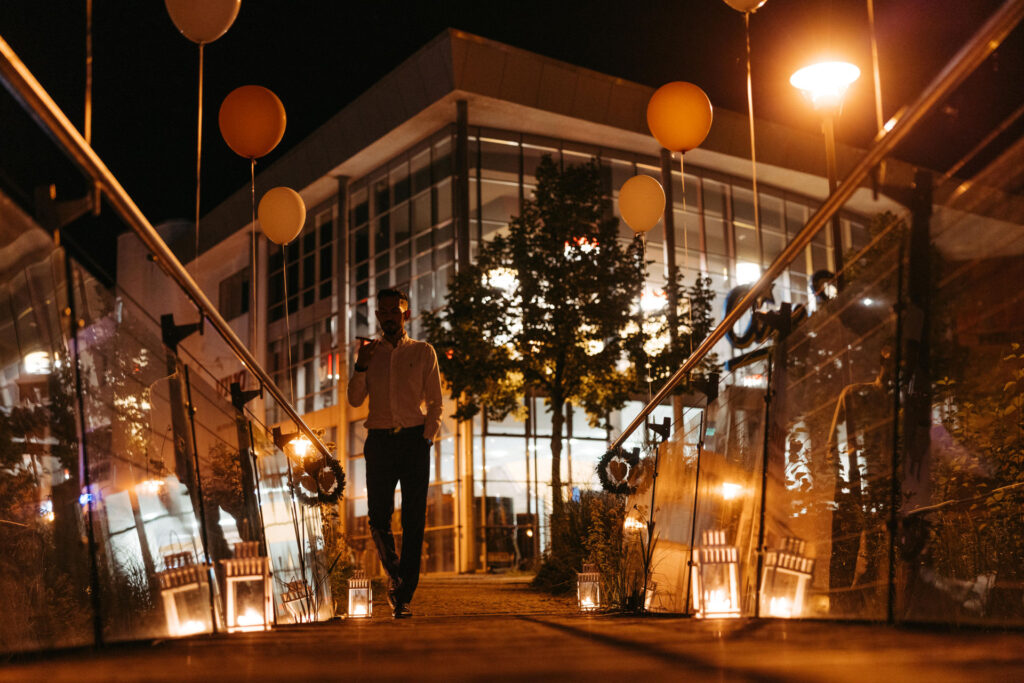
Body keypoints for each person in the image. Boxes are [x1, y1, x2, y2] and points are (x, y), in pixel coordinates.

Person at [347, 288, 443, 618]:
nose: (388, 315)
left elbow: (435, 403)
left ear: (406, 313)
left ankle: (404, 594)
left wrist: (427, 439)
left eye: (394, 310)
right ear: (377, 316)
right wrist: (360, 367)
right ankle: (397, 575)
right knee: (378, 516)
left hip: (414, 440)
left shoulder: (423, 351)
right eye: (382, 311)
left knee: (415, 519)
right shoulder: (368, 355)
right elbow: (355, 400)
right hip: (380, 441)